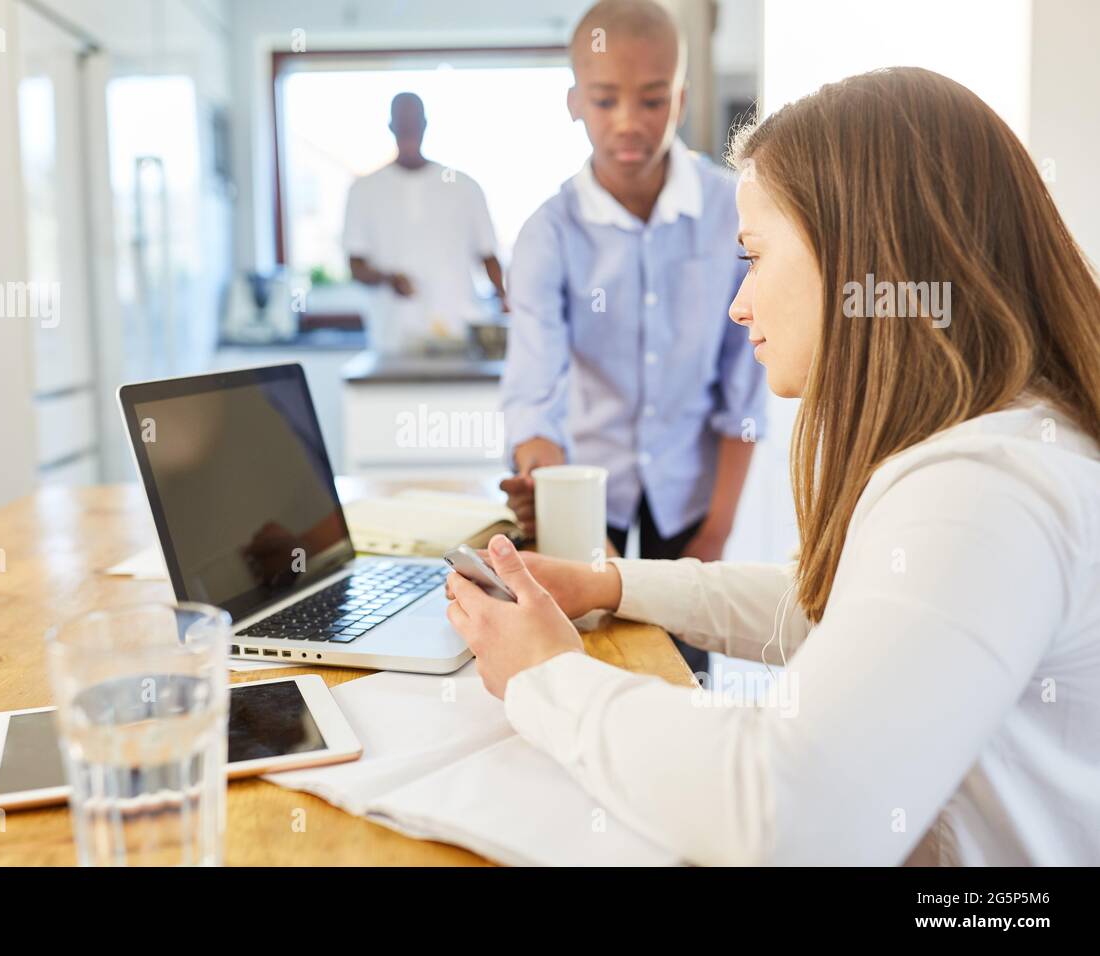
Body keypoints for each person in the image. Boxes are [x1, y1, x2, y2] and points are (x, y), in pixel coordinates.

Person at [446, 66, 1100, 865]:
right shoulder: (998, 446)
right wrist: (615, 584)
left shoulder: (983, 491)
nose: (739, 302)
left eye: (755, 257)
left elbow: (783, 816)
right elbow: (847, 608)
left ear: (865, 259)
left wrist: (544, 677)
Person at [500, 0, 765, 677]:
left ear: (678, 99)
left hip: (691, 492)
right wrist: (540, 475)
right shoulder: (548, 233)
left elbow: (744, 387)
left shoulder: (729, 211)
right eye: (604, 98)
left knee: (685, 666)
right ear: (573, 102)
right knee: (590, 659)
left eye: (651, 100)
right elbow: (536, 387)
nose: (627, 122)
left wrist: (719, 527)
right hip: (583, 492)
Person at [343, 92, 507, 354]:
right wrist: (388, 278)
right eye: (402, 123)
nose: (408, 130)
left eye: (414, 122)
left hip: (459, 337)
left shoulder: (464, 186)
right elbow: (356, 265)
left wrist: (506, 300)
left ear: (425, 124)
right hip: (393, 341)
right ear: (391, 127)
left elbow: (488, 254)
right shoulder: (363, 190)